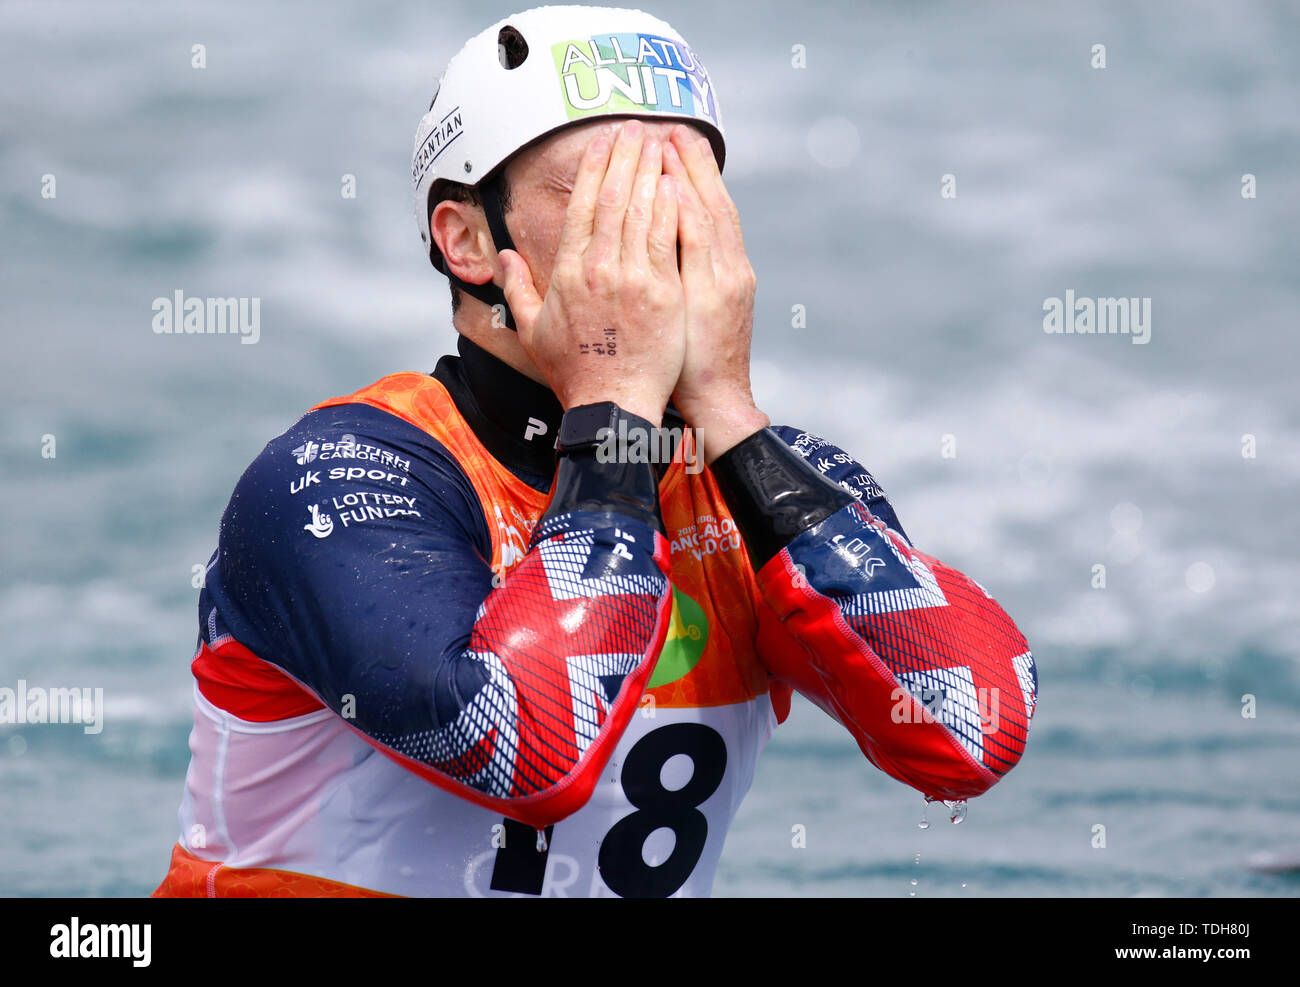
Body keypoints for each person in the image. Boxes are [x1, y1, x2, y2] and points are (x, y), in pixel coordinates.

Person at [153, 5, 1037, 899]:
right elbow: (531, 753)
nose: (653, 234)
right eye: (603, 195)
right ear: (465, 239)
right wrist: (614, 406)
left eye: (678, 186)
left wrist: (726, 411)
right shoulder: (333, 479)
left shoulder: (751, 485)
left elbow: (973, 736)